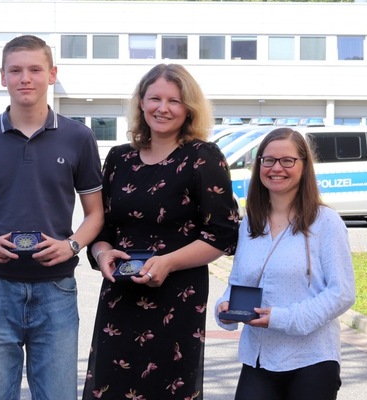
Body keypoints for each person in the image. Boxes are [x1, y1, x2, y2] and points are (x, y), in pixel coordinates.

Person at [0, 35, 104, 399]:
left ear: (52, 74)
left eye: (35, 69)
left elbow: (95, 214)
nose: (25, 78)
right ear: (2, 76)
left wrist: (71, 245)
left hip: (56, 289)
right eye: (15, 70)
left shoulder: (79, 137)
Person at [82, 64, 240, 400]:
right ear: (141, 102)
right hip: (120, 298)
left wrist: (167, 263)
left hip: (177, 299)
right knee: (110, 389)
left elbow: (223, 234)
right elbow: (101, 227)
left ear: (188, 109)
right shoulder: (118, 158)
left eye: (174, 101)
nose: (163, 108)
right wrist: (102, 253)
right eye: (155, 98)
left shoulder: (203, 157)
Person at [215, 127, 356, 400]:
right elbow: (239, 283)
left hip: (311, 359)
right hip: (258, 358)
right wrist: (225, 306)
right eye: (268, 160)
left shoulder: (326, 223)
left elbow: (342, 293)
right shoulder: (249, 224)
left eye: (287, 160)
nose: (276, 168)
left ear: (304, 166)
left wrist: (282, 318)